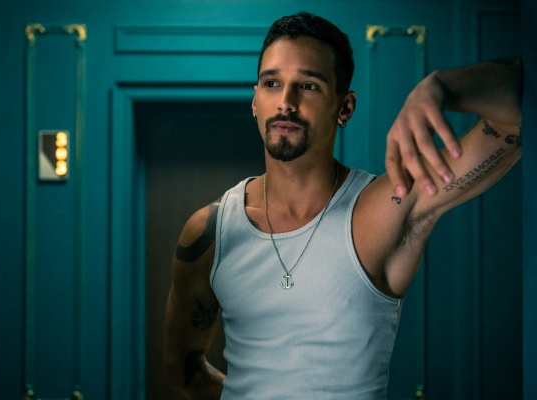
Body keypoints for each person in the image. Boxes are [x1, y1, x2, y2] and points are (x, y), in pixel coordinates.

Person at [164, 11, 522, 400]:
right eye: (271, 83)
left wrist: (441, 87)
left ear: (345, 107)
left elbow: (516, 120)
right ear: (255, 100)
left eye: (309, 86)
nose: (285, 102)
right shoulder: (210, 232)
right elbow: (184, 369)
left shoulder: (385, 207)